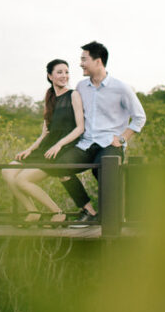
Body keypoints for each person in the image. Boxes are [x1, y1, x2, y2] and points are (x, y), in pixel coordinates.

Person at [61, 40, 147, 228]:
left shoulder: (121, 88)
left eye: (84, 59)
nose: (80, 64)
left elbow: (140, 117)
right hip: (86, 144)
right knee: (60, 166)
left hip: (110, 144)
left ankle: (112, 219)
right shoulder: (81, 86)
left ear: (98, 61)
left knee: (105, 170)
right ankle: (89, 212)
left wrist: (123, 138)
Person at [1, 59, 85, 226]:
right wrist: (29, 149)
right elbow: (44, 133)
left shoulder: (73, 95)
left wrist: (59, 144)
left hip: (61, 149)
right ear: (50, 76)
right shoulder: (49, 98)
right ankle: (32, 212)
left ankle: (58, 213)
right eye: (59, 72)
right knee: (7, 171)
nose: (64, 76)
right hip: (46, 147)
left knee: (22, 180)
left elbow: (80, 128)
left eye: (66, 72)